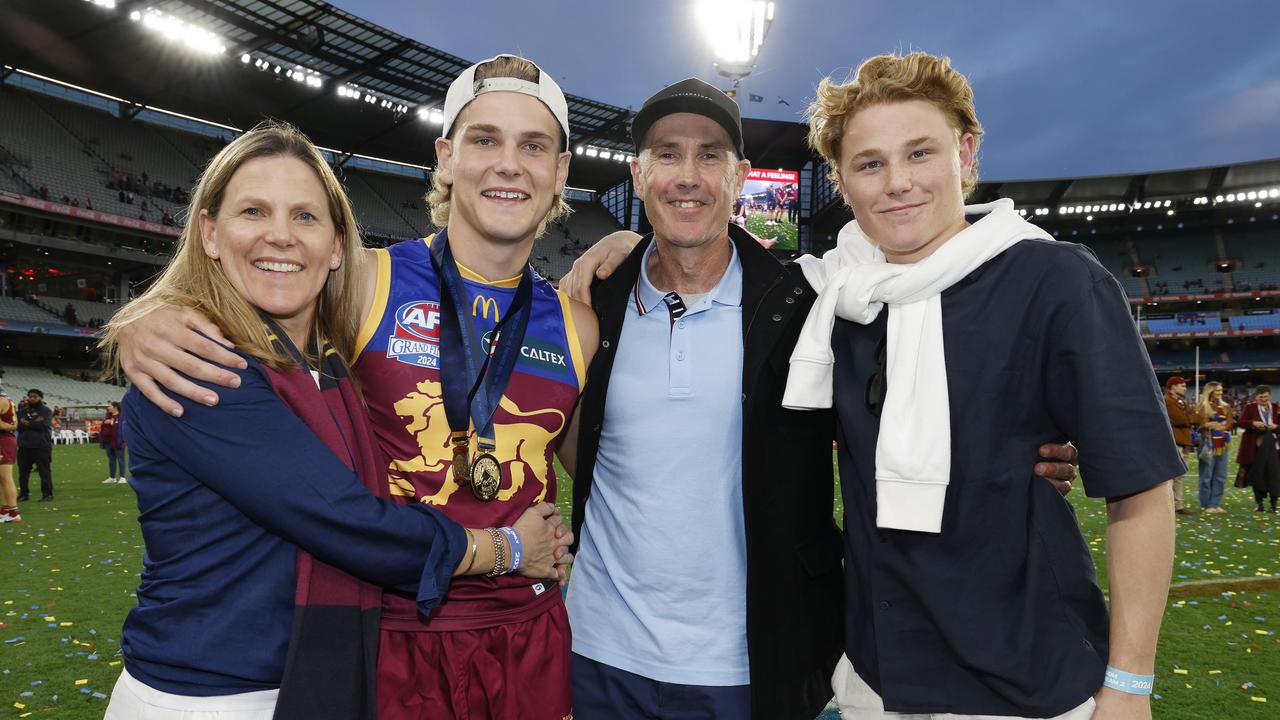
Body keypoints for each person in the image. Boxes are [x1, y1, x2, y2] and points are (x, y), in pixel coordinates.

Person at [558, 78, 1079, 720]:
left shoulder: (806, 302)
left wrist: (1025, 448)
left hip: (757, 660)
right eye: (667, 155)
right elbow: (577, 444)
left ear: (742, 174)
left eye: (711, 155)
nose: (687, 176)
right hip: (600, 651)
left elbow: (924, 388)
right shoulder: (589, 303)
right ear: (638, 175)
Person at [111, 56, 595, 720]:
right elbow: (252, 285)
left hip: (527, 629)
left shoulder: (581, 323)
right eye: (484, 140)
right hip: (396, 632)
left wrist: (630, 245)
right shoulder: (361, 279)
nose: (509, 164)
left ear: (561, 171)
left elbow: (600, 468)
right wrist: (144, 318)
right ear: (447, 157)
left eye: (533, 145)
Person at [784, 51, 1178, 720]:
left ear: (965, 153)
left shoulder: (1055, 281)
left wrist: (1131, 684)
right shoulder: (834, 297)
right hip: (876, 681)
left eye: (919, 153)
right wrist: (619, 248)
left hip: (1026, 684)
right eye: (871, 163)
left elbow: (1141, 487)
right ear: (841, 182)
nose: (898, 183)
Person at [1236, 384, 1280, 513]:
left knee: (1274, 475)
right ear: (1256, 397)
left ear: (1270, 396)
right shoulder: (1250, 408)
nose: (1263, 400)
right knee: (1257, 475)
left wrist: (1275, 427)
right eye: (1261, 398)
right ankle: (1259, 504)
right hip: (1255, 448)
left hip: (1274, 447)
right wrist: (1253, 424)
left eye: (1265, 397)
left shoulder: (1277, 408)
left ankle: (1274, 505)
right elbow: (1240, 422)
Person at [1195, 381, 1233, 513]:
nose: (1220, 393)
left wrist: (1221, 426)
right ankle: (1206, 505)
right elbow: (1198, 425)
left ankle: (1215, 503)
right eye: (1217, 390)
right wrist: (1207, 425)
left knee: (1221, 475)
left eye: (1221, 390)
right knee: (1206, 475)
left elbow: (1230, 423)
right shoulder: (1202, 406)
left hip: (1223, 443)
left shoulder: (1226, 406)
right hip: (1208, 443)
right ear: (1210, 391)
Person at [1163, 375, 1198, 515]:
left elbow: (1189, 418)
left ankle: (1178, 505)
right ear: (1173, 387)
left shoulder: (1180, 401)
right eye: (1182, 385)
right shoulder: (1168, 401)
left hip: (1183, 442)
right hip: (1176, 442)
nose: (1185, 388)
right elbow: (1182, 419)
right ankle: (1170, 506)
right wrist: (1193, 417)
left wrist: (1191, 417)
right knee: (1172, 477)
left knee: (1179, 477)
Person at [15, 388, 54, 502]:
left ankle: (47, 494)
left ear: (40, 398)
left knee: (44, 471)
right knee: (23, 472)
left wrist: (27, 423)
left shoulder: (46, 410)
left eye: (35, 396)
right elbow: (18, 426)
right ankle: (24, 494)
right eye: (30, 396)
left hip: (41, 445)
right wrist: (33, 423)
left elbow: (42, 425)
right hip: (24, 445)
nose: (32, 398)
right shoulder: (21, 411)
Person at [0, 384, 19, 522]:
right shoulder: (8, 400)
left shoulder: (1, 401)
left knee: (6, 477)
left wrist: (7, 426)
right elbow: (15, 423)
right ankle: (6, 510)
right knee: (2, 478)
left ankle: (13, 513)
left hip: (3, 440)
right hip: (6, 439)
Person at [99, 400, 128, 484]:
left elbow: (123, 427)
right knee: (111, 459)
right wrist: (105, 422)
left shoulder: (122, 416)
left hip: (118, 441)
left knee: (120, 459)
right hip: (108, 441)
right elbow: (103, 426)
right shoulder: (108, 416)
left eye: (109, 406)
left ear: (115, 407)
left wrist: (112, 423)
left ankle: (122, 477)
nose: (108, 407)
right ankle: (112, 477)